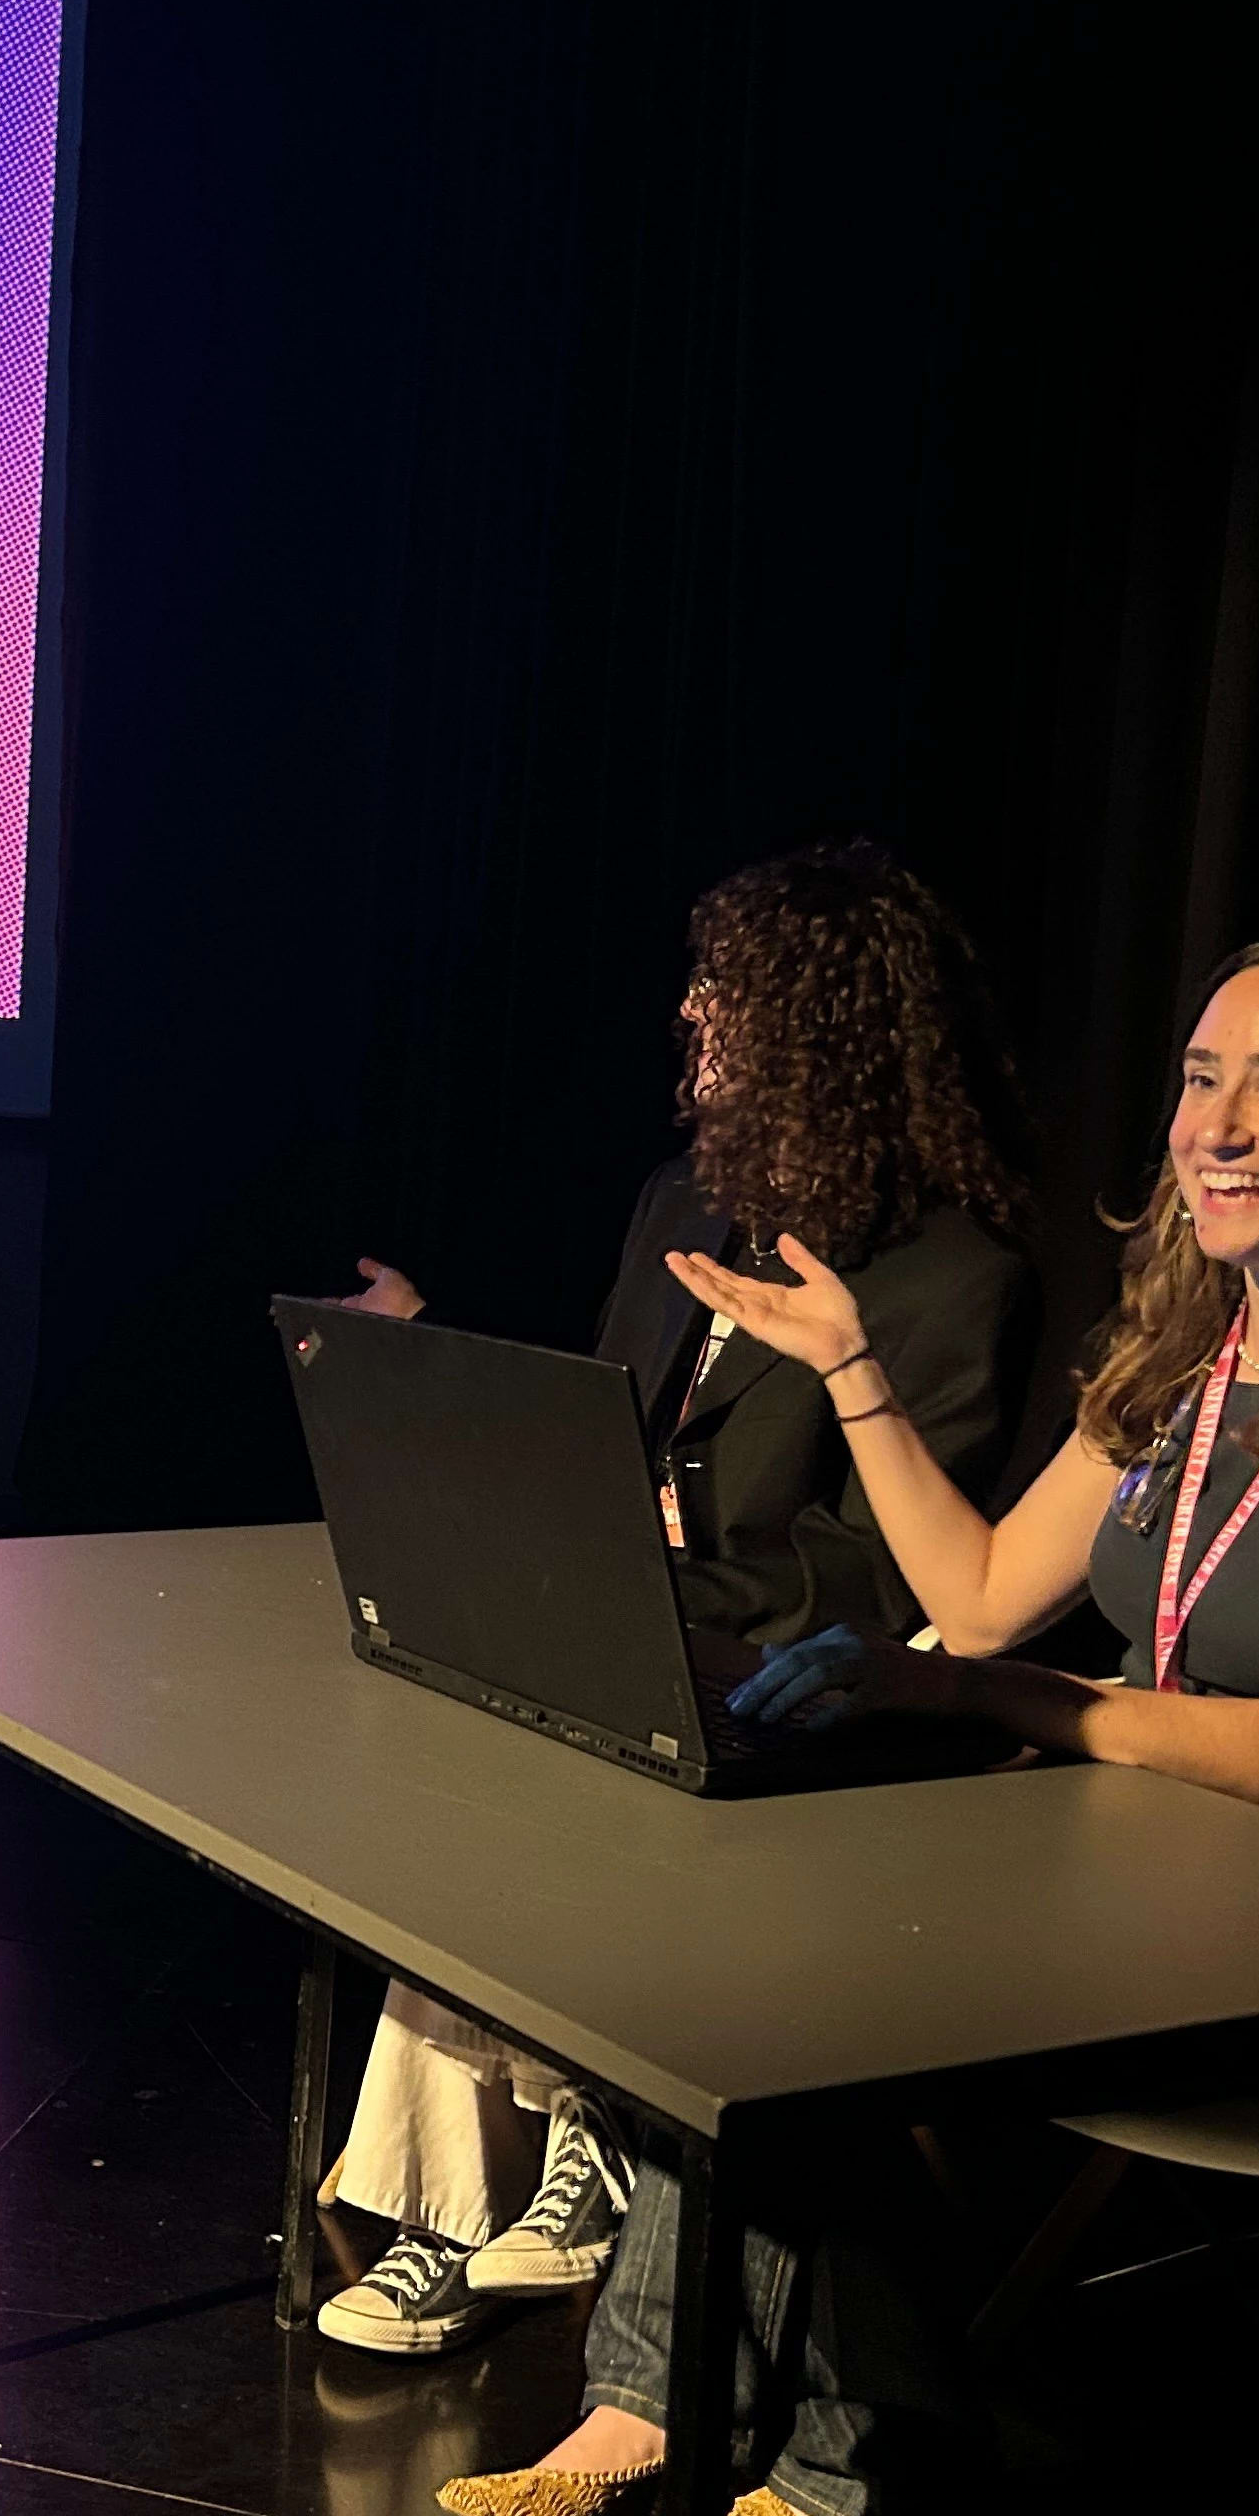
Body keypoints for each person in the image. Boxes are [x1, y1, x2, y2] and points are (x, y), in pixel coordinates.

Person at [436, 925, 1259, 2516]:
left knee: (815, 1963)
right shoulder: (1190, 1357)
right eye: (1204, 1081)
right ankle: (808, 2425)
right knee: (714, 1896)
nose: (1217, 1127)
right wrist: (850, 1367)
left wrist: (989, 1707)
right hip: (1142, 1862)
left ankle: (817, 2435)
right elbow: (980, 1600)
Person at [312, 842, 1041, 2355]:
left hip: (777, 1662)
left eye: (727, 995)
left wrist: (656, 1578)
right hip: (628, 1623)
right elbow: (608, 1427)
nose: (691, 1019)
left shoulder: (952, 1278)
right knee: (464, 1714)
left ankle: (543, 2147)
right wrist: (431, 1355)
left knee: (527, 1751)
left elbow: (888, 1563)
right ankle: (484, 2201)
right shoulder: (677, 1201)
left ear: (819, 1035)